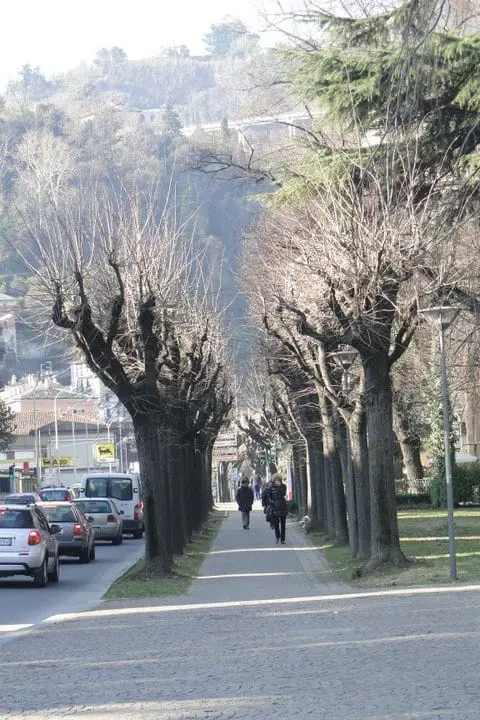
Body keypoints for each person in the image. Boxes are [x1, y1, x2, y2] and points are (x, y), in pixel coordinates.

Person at [269, 473, 288, 544]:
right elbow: (269, 497)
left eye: (278, 480)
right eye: (276, 480)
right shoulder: (271, 488)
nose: (277, 481)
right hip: (275, 508)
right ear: (274, 480)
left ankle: (283, 539)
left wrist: (279, 487)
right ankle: (277, 536)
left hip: (282, 507)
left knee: (283, 524)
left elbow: (283, 494)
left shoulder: (283, 486)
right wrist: (272, 502)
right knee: (276, 524)